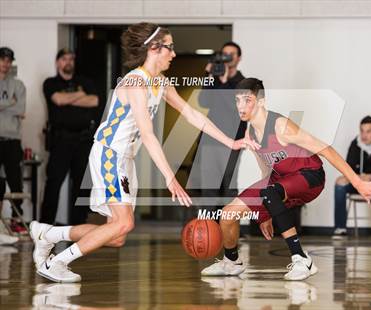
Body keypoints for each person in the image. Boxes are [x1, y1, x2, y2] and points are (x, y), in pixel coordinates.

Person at [30, 23, 259, 283]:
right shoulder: (135, 82)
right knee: (123, 224)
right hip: (110, 154)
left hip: (124, 159)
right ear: (153, 48)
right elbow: (148, 134)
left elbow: (192, 114)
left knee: (116, 235)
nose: (173, 53)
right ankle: (56, 262)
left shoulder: (159, 82)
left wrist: (231, 141)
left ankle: (47, 234)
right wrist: (170, 177)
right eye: (169, 47)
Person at [201, 78, 371, 281]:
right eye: (237, 100)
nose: (241, 106)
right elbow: (266, 172)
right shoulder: (250, 131)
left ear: (261, 101)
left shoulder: (281, 126)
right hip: (281, 179)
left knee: (271, 193)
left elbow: (327, 150)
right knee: (227, 215)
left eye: (247, 100)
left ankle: (301, 259)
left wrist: (357, 183)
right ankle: (231, 261)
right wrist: (265, 212)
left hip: (310, 175)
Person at [40, 48, 99, 225]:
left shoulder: (84, 81)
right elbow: (58, 100)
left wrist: (69, 98)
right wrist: (80, 96)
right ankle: (45, 226)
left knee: (81, 186)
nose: (68, 62)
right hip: (60, 141)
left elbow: (95, 101)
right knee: (53, 184)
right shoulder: (50, 83)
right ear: (58, 62)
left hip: (83, 141)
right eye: (64, 59)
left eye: (71, 59)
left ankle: (78, 227)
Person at [193, 42, 247, 207]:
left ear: (238, 58)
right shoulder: (215, 79)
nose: (227, 58)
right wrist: (209, 75)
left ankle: (229, 231)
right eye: (224, 54)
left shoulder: (243, 82)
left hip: (232, 141)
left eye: (231, 55)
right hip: (210, 141)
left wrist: (223, 82)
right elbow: (203, 101)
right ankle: (210, 231)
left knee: (229, 188)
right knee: (208, 189)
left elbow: (236, 107)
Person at [0, 46, 27, 234]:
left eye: (9, 60)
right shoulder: (13, 94)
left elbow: (21, 110)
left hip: (12, 139)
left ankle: (16, 220)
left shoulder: (18, 85)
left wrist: (10, 106)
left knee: (15, 182)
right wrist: (11, 102)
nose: (5, 64)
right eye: (2, 59)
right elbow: (15, 107)